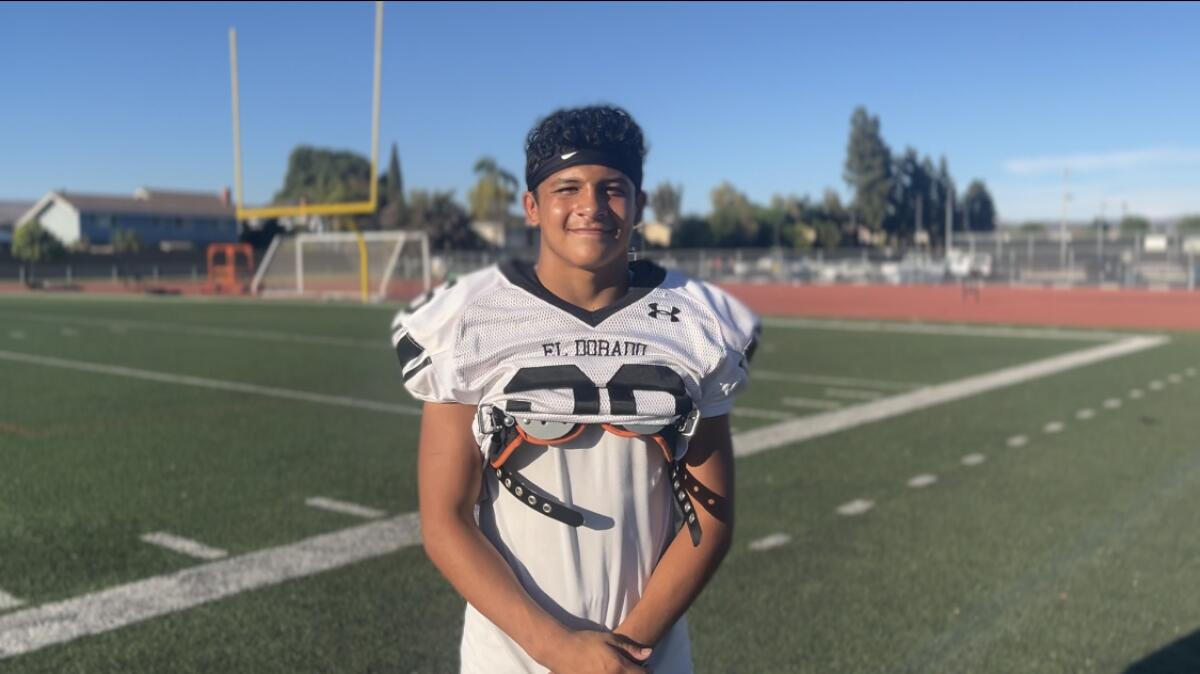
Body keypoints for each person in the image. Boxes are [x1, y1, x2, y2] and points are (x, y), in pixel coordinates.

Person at [392, 104, 759, 673]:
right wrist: (558, 650)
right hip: (510, 656)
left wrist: (625, 653)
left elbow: (710, 519)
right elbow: (445, 520)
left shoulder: (696, 322)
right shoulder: (467, 320)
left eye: (612, 188)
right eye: (568, 187)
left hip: (647, 656)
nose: (590, 206)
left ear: (638, 205)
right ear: (532, 207)